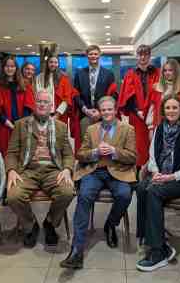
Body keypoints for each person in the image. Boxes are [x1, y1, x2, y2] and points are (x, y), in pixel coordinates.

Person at [60, 96, 136, 269]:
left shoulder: (128, 129)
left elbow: (133, 157)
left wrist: (115, 151)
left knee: (124, 194)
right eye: (103, 110)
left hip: (118, 171)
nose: (107, 113)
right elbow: (80, 154)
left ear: (115, 110)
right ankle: (76, 251)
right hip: (94, 171)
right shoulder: (91, 129)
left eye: (110, 109)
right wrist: (94, 152)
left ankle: (111, 224)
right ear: (99, 112)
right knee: (84, 196)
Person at [135, 95, 180, 272]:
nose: (171, 111)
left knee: (153, 192)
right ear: (163, 111)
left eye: (175, 108)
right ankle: (151, 237)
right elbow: (152, 156)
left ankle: (159, 252)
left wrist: (169, 177)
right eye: (168, 108)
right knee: (141, 187)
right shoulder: (159, 129)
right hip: (162, 174)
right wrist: (156, 172)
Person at [6, 89, 75, 248]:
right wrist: (11, 170)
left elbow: (68, 155)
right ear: (34, 104)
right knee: (13, 196)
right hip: (27, 171)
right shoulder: (21, 124)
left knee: (67, 192)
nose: (42, 104)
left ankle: (50, 223)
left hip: (53, 170)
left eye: (45, 102)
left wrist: (67, 170)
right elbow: (11, 153)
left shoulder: (61, 127)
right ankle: (31, 226)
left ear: (52, 106)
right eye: (39, 101)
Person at [118, 44, 160, 167]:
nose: (143, 57)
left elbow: (159, 93)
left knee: (153, 141)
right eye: (140, 54)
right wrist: (138, 111)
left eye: (145, 54)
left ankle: (153, 169)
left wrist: (150, 111)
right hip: (137, 115)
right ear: (137, 56)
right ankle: (137, 170)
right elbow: (127, 95)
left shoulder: (158, 73)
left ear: (149, 56)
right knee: (137, 143)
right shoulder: (130, 73)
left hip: (154, 113)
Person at [0, 56, 35, 159]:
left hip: (22, 125)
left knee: (22, 154)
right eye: (7, 66)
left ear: (16, 68)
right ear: (3, 68)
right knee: (5, 154)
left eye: (12, 66)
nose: (9, 68)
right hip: (4, 126)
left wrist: (20, 124)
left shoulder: (24, 84)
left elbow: (29, 106)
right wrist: (8, 123)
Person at [73, 45, 118, 140]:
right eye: (91, 54)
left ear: (99, 55)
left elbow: (112, 95)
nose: (93, 56)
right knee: (86, 144)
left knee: (105, 142)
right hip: (85, 115)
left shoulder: (108, 74)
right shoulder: (79, 74)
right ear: (87, 56)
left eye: (95, 54)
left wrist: (100, 111)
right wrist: (85, 109)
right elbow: (76, 95)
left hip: (104, 115)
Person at [147, 59, 180, 134]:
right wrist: (150, 128)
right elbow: (152, 110)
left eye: (170, 70)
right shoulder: (156, 88)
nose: (167, 73)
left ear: (176, 72)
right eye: (165, 71)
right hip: (160, 128)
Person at [35, 55, 73, 124]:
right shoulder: (39, 77)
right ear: (47, 63)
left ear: (58, 64)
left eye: (55, 62)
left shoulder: (64, 78)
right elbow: (36, 96)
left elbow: (67, 99)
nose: (53, 64)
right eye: (51, 62)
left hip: (57, 114)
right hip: (41, 114)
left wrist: (57, 114)